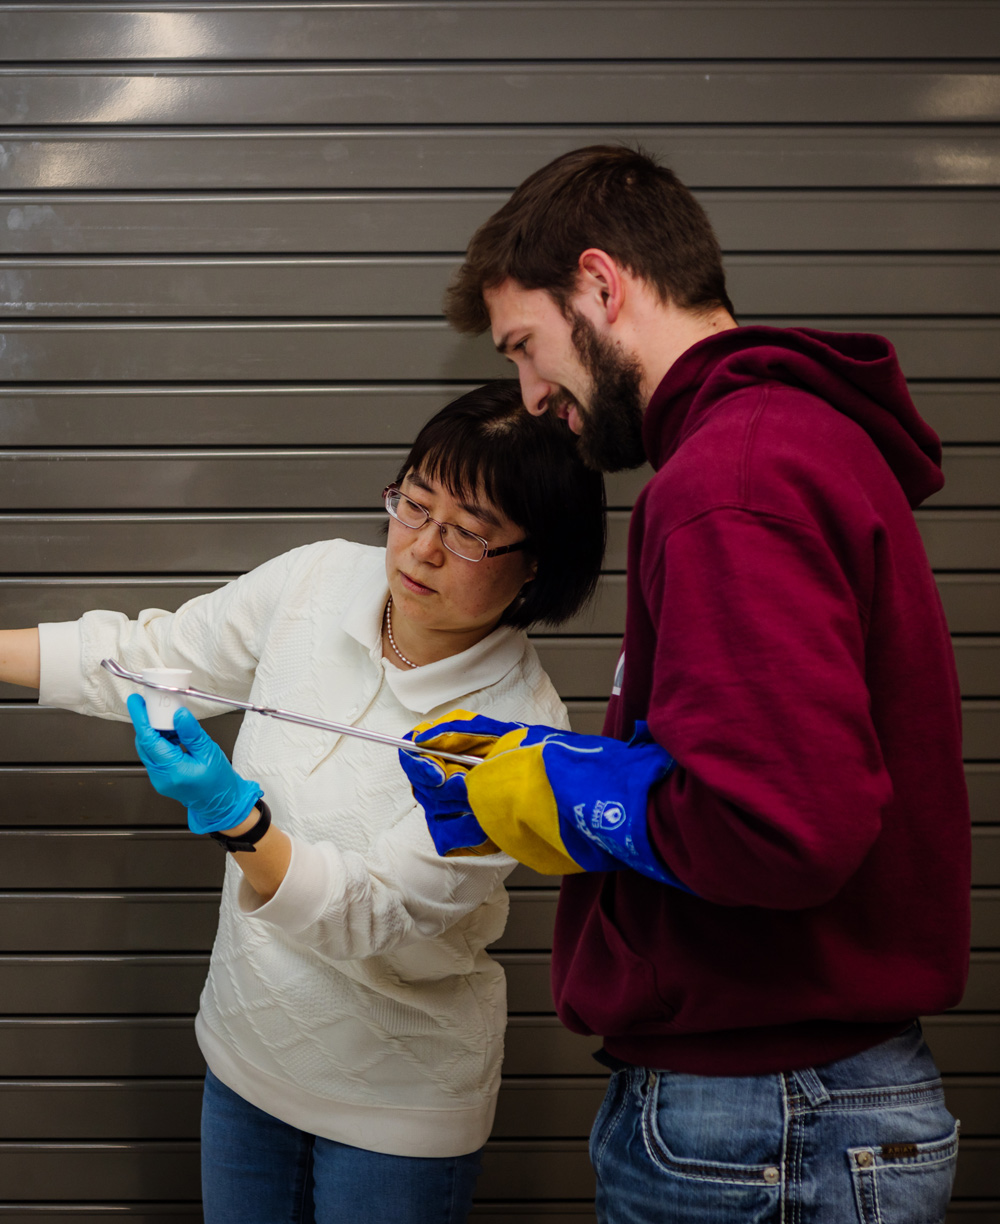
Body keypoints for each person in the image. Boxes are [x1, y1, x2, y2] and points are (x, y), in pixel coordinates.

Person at [399, 146, 971, 1223]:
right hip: (795, 1113)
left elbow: (783, 828)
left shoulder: (729, 481)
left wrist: (570, 795)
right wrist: (576, 779)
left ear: (602, 286)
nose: (529, 397)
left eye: (526, 347)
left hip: (764, 1127)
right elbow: (770, 773)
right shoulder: (787, 444)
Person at [0, 381, 606, 1224]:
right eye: (413, 504)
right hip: (244, 1058)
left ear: (536, 565)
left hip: (397, 1108)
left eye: (468, 534)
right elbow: (153, 655)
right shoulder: (319, 579)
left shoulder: (517, 732)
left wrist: (236, 819)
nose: (420, 548)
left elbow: (376, 915)